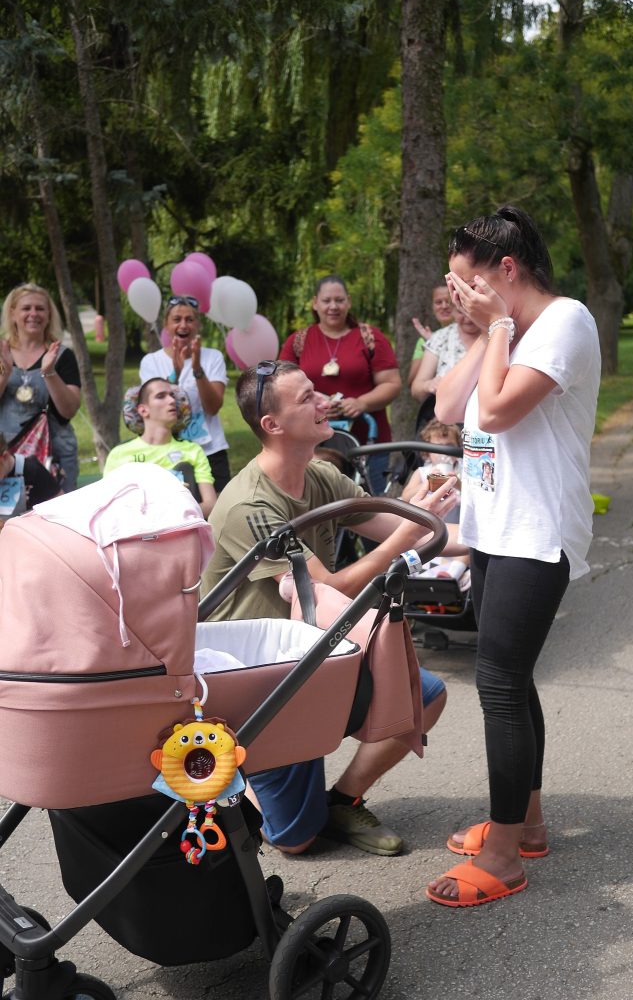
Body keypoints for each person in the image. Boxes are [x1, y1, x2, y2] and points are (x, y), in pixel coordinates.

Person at [201, 359, 467, 857]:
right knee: (296, 841)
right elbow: (326, 591)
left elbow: (401, 529)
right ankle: (229, 770)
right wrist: (412, 536)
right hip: (258, 683)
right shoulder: (248, 507)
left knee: (424, 697)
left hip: (312, 654)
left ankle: (343, 800)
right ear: (272, 426)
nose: (323, 399)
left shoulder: (320, 476)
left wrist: (491, 544)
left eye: (315, 389)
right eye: (305, 397)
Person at [425, 205, 600, 908]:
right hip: (494, 529)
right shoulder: (504, 330)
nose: (454, 295)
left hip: (537, 532)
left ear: (505, 271)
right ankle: (525, 823)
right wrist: (483, 329)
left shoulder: (563, 322)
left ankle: (503, 854)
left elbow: (496, 411)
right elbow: (447, 401)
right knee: (511, 679)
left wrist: (496, 325)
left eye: (465, 283)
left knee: (496, 682)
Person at [279, 276, 401, 495]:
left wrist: (361, 403)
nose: (333, 306)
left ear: (349, 302)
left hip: (368, 442)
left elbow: (391, 384)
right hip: (313, 444)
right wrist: (315, 401)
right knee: (317, 502)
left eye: (339, 300)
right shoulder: (298, 341)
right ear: (315, 303)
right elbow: (281, 386)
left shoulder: (370, 337)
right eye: (326, 301)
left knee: (370, 504)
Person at [139, 295, 230, 491]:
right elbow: (154, 412)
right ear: (166, 325)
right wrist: (175, 376)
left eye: (190, 319)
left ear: (198, 324)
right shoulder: (151, 362)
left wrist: (197, 368)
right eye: (177, 319)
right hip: (167, 452)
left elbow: (213, 408)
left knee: (217, 516)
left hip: (211, 451)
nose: (183, 325)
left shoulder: (212, 357)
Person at [0, 283, 81, 491]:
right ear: (13, 313)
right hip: (4, 460)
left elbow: (69, 410)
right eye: (26, 308)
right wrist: (6, 373)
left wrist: (49, 372)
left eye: (40, 308)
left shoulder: (62, 355)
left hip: (54, 458)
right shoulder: (2, 352)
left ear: (49, 315)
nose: (33, 314)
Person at [104, 378, 217, 518]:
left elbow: (211, 505)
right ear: (143, 410)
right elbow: (108, 507)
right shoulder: (119, 454)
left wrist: (173, 517)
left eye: (172, 396)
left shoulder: (193, 450)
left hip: (183, 530)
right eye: (161, 396)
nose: (171, 401)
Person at [400, 419, 469, 589]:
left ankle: (452, 576)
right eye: (437, 447)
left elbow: (472, 494)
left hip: (459, 530)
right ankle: (414, 577)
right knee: (414, 547)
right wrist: (427, 482)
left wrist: (457, 482)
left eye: (449, 446)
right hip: (429, 531)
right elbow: (406, 495)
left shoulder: (464, 469)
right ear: (427, 452)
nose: (443, 453)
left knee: (469, 545)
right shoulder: (423, 472)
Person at [411, 295, 480, 405]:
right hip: (448, 418)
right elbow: (416, 388)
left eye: (473, 312)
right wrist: (428, 385)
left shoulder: (497, 334)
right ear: (452, 310)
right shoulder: (440, 338)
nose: (468, 318)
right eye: (461, 312)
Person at [408, 282, 460, 386]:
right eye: (438, 302)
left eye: (448, 301)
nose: (444, 306)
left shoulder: (470, 334)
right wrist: (432, 345)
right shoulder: (426, 340)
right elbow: (412, 381)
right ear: (432, 307)